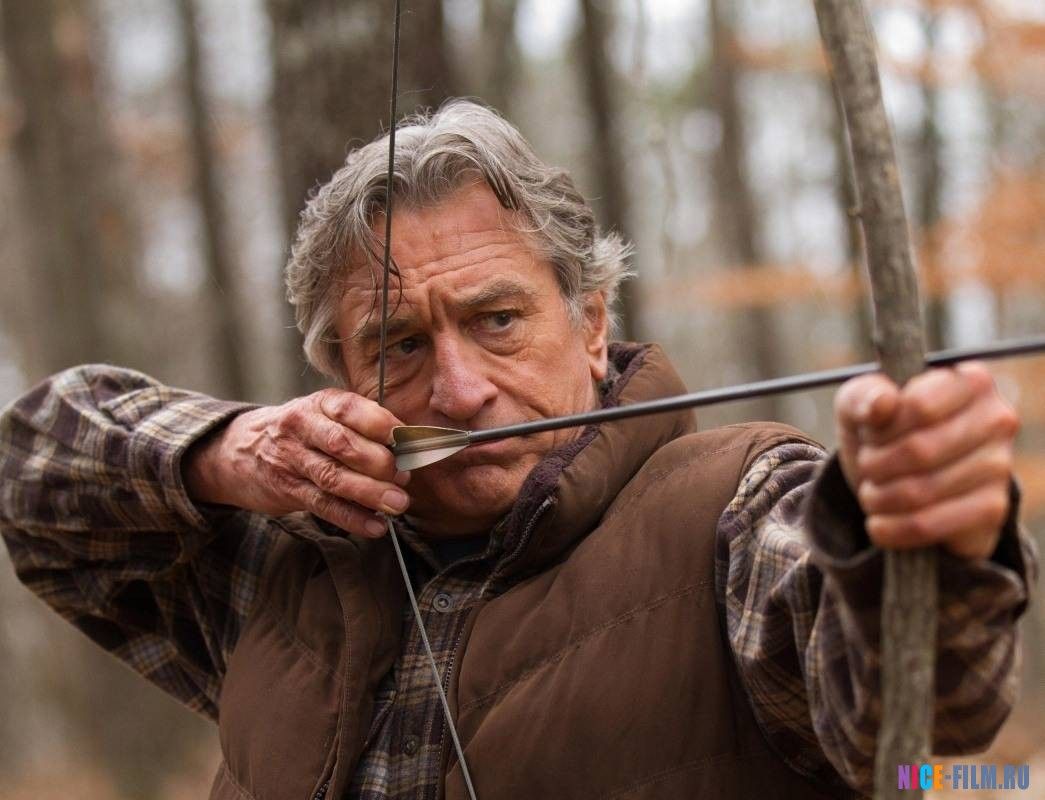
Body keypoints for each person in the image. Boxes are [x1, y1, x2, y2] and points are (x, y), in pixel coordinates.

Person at [0, 100, 1034, 800]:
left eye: (497, 320)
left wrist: (917, 537)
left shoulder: (738, 509)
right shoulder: (284, 563)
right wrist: (224, 452)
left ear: (591, 323)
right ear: (340, 374)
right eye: (398, 344)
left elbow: (912, 711)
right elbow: (33, 477)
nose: (458, 390)